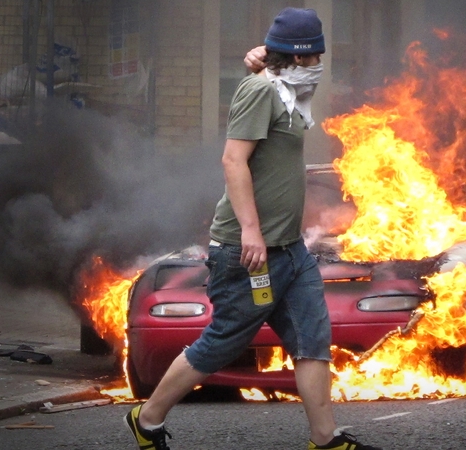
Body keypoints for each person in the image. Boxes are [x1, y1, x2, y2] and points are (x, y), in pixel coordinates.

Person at [123, 8, 382, 450]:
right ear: (298, 58)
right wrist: (250, 232)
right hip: (248, 253)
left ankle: (325, 438)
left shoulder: (285, 90)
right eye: (314, 55)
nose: (319, 64)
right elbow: (232, 160)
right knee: (225, 340)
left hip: (290, 252)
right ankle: (146, 418)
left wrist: (260, 62)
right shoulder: (260, 91)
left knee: (311, 337)